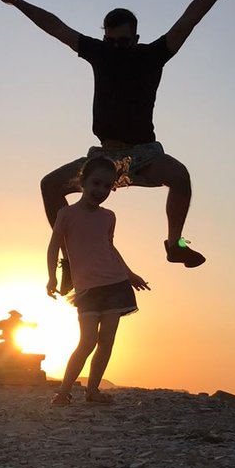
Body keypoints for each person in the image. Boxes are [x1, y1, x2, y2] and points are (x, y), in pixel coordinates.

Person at [0, 0, 235, 291]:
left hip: (144, 155)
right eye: (111, 41)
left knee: (180, 176)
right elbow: (55, 26)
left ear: (136, 39)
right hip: (105, 157)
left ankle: (175, 245)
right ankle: (70, 260)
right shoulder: (100, 53)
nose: (116, 48)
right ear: (105, 38)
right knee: (49, 185)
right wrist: (15, 2)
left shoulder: (153, 55)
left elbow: (191, 17)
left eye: (123, 42)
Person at [47, 154, 149, 405]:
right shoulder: (66, 214)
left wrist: (129, 273)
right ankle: (63, 392)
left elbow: (110, 248)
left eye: (107, 186)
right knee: (87, 341)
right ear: (83, 182)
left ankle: (92, 391)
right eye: (96, 183)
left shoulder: (108, 217)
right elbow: (53, 247)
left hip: (115, 284)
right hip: (87, 289)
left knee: (107, 341)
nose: (101, 190)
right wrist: (51, 278)